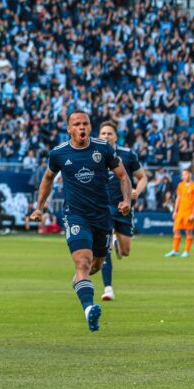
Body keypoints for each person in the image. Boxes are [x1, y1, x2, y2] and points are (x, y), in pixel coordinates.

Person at [30, 111, 131, 333]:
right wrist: (39, 207)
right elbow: (47, 178)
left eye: (85, 123)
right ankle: (89, 310)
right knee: (83, 263)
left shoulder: (103, 148)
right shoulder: (58, 153)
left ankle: (79, 281)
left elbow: (123, 176)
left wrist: (126, 200)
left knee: (95, 265)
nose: (82, 127)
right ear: (69, 129)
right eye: (77, 124)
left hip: (102, 217)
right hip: (76, 216)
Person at [98, 121, 147, 300]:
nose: (106, 136)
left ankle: (118, 243)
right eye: (103, 133)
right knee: (104, 247)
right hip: (103, 207)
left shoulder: (128, 155)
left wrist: (136, 191)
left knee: (125, 251)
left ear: (116, 136)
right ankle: (108, 288)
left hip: (124, 207)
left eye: (109, 133)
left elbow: (142, 178)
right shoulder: (93, 155)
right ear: (98, 136)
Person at [165, 169, 194, 259]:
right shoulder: (180, 185)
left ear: (190, 175)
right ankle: (175, 250)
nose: (183, 176)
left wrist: (193, 213)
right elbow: (178, 198)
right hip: (180, 211)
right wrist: (175, 211)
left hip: (189, 212)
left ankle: (186, 251)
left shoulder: (193, 186)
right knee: (176, 230)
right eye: (183, 175)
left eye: (185, 174)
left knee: (188, 231)